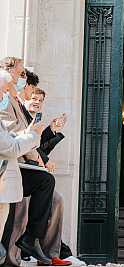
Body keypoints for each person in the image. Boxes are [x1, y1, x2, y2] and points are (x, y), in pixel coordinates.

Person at [0, 56, 55, 265]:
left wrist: (46, 132)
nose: (23, 78)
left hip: (16, 162)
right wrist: (37, 139)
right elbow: (13, 140)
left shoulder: (12, 100)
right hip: (11, 165)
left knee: (47, 187)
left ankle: (33, 242)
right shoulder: (6, 103)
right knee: (44, 182)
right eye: (21, 73)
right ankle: (24, 245)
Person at [8, 87, 71, 266]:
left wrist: (52, 130)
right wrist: (44, 162)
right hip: (18, 171)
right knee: (22, 207)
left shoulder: (36, 119)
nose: (36, 102)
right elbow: (24, 146)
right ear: (25, 98)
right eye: (33, 99)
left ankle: (50, 254)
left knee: (58, 200)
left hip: (33, 173)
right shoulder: (18, 116)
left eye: (40, 100)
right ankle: (13, 258)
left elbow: (40, 147)